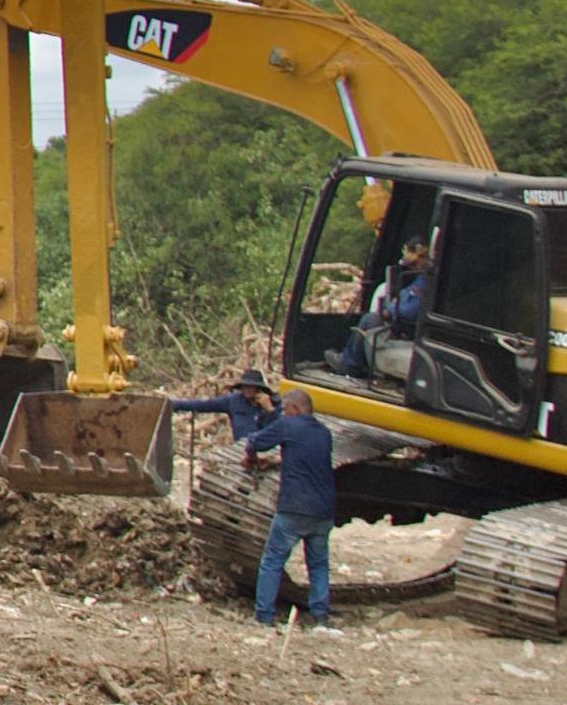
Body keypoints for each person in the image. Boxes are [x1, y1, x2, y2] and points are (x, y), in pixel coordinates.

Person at [171, 370, 338, 626]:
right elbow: (307, 460)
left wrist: (251, 457)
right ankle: (320, 616)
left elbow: (256, 442)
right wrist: (278, 460)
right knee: (318, 564)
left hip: (294, 507)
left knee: (272, 559)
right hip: (324, 510)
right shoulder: (324, 433)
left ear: (292, 408)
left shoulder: (286, 423)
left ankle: (264, 616)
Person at [333, 240, 432, 381]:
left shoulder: (429, 281)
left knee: (371, 319)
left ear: (424, 258)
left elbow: (410, 310)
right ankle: (351, 360)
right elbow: (406, 294)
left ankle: (350, 364)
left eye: (415, 264)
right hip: (407, 322)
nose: (413, 268)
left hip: (412, 327)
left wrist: (390, 309)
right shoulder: (422, 278)